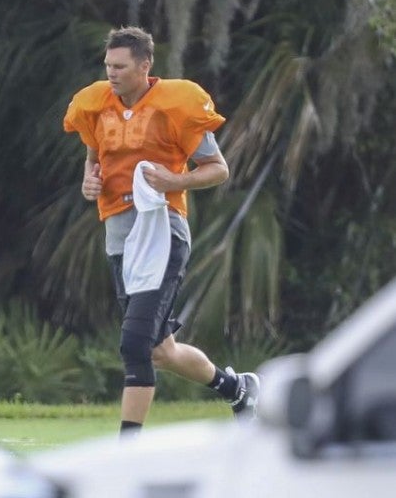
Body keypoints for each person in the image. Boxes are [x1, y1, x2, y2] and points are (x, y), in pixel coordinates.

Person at [63, 26, 260, 436]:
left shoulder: (174, 104)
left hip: (163, 235)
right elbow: (93, 156)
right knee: (159, 350)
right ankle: (237, 389)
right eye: (108, 65)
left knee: (134, 346)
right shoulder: (96, 105)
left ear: (144, 66)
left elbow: (218, 169)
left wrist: (175, 182)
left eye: (120, 66)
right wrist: (89, 181)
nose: (111, 74)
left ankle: (127, 447)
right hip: (119, 238)